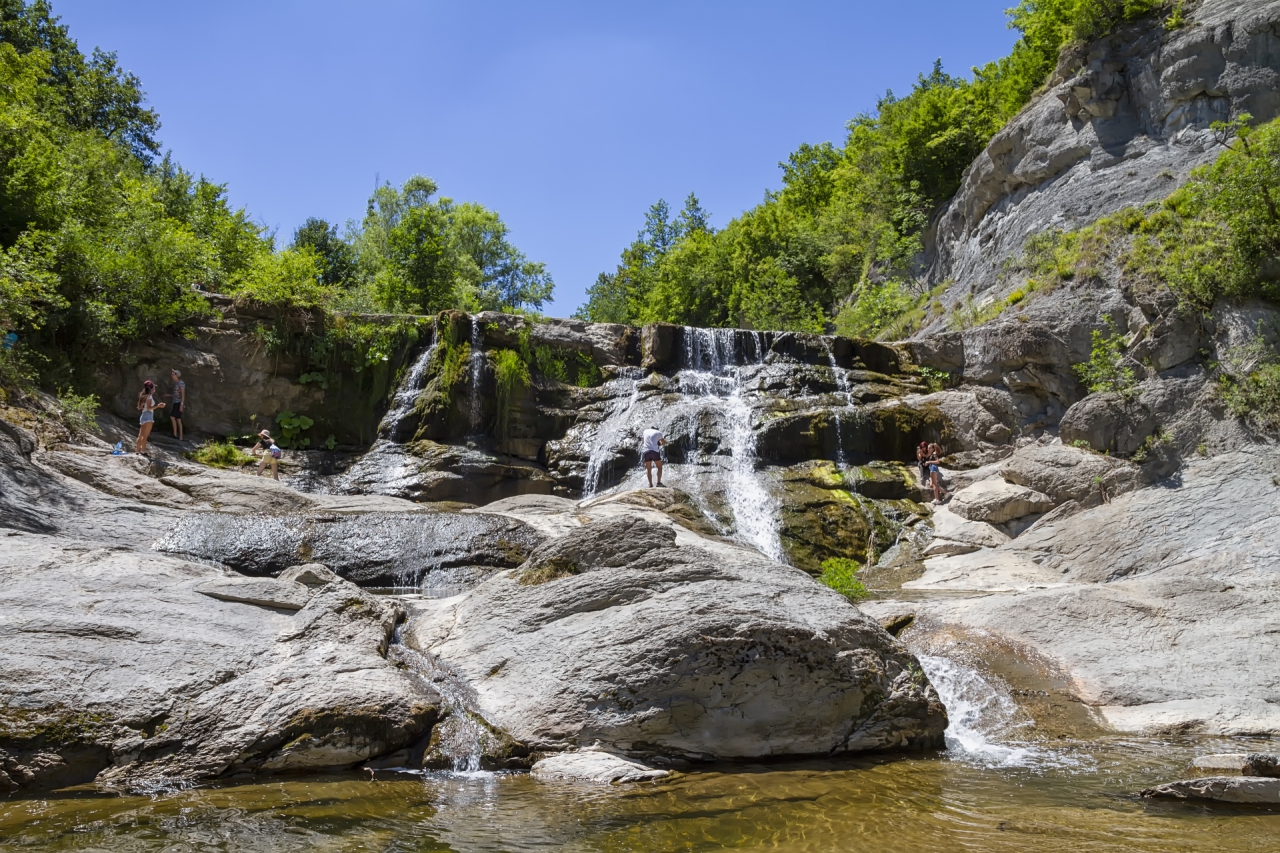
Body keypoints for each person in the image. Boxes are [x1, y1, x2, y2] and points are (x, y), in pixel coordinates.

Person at [135, 380, 164, 454]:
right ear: (151, 389)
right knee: (145, 436)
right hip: (148, 416)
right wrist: (158, 406)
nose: (155, 389)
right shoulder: (149, 397)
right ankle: (143, 451)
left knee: (140, 435)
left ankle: (137, 451)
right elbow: (149, 408)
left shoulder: (143, 396)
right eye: (154, 387)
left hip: (143, 415)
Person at [169, 369, 186, 441]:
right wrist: (168, 395)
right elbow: (176, 394)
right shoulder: (176, 384)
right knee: (178, 419)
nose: (171, 376)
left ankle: (175, 434)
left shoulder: (181, 383)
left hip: (178, 403)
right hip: (175, 402)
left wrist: (182, 404)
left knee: (172, 417)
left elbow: (183, 394)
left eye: (173, 374)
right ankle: (179, 436)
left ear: (176, 375)